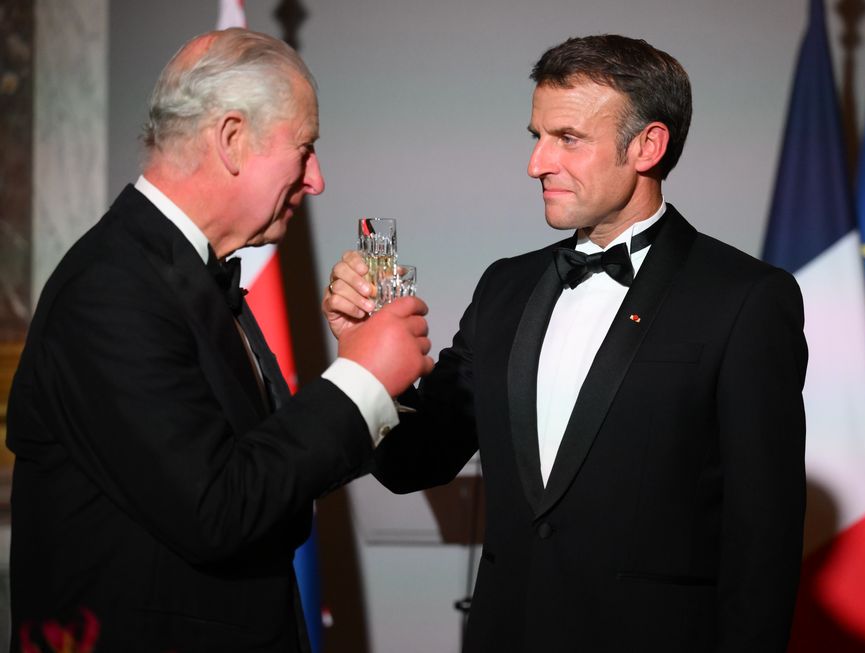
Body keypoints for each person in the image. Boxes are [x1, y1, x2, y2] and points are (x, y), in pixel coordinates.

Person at [325, 34, 807, 651]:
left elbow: (762, 539)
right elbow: (411, 462)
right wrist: (368, 362)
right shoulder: (505, 286)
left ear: (647, 146)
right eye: (537, 137)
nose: (537, 163)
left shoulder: (746, 298)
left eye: (568, 139)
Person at [6, 28, 432, 652]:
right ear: (233, 139)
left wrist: (363, 362)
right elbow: (216, 510)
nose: (315, 180)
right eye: (305, 149)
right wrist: (359, 379)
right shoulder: (111, 289)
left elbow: (269, 475)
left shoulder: (183, 274)